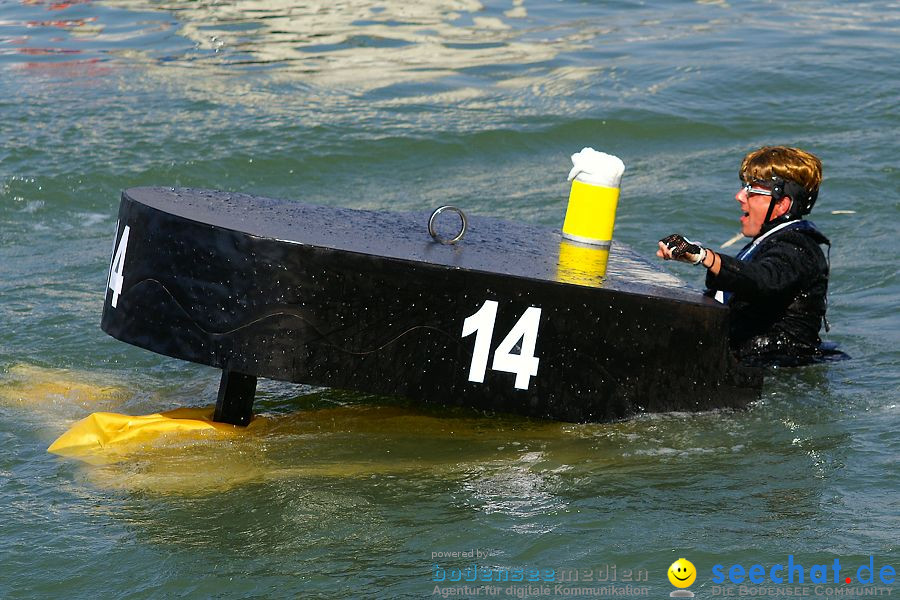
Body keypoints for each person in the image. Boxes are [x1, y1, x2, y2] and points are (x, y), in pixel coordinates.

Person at [656, 146, 832, 365]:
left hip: (778, 372)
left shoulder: (799, 247)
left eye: (753, 189)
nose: (740, 196)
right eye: (743, 187)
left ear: (782, 203)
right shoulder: (766, 243)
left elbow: (764, 279)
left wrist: (704, 257)